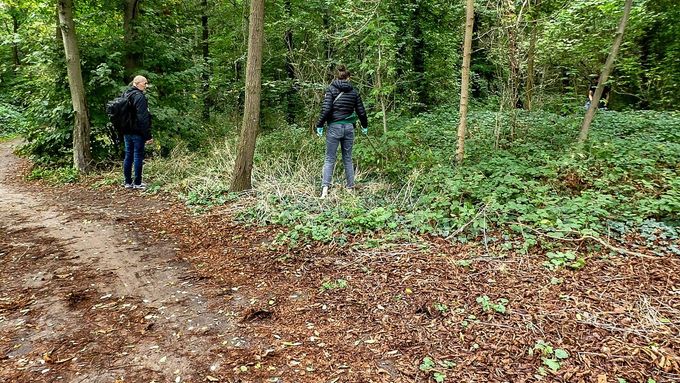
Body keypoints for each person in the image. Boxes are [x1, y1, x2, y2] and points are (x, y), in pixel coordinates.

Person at [315, 65, 368, 198]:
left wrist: (319, 125)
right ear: (348, 78)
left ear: (336, 77)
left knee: (329, 158)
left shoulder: (331, 90)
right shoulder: (354, 92)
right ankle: (350, 188)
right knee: (348, 159)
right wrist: (364, 125)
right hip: (349, 128)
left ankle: (325, 190)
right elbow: (361, 111)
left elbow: (326, 110)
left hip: (334, 128)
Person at [122, 75, 152, 190]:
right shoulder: (139, 97)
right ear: (137, 83)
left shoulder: (126, 94)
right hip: (137, 131)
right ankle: (138, 182)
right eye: (145, 83)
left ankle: (128, 182)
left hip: (126, 130)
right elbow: (143, 118)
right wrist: (147, 136)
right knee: (138, 156)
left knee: (128, 155)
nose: (146, 86)